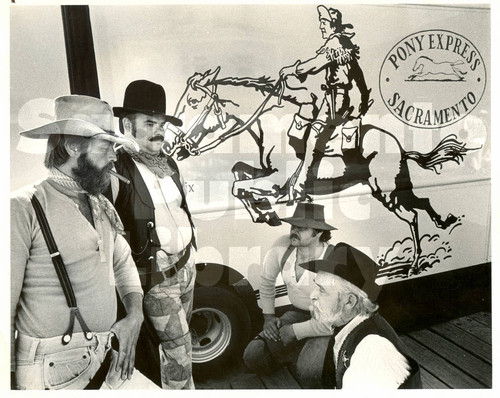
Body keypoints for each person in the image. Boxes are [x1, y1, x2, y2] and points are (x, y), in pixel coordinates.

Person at [10, 95, 159, 390]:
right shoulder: (23, 207)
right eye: (106, 147)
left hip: (102, 357)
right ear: (73, 145)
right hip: (50, 372)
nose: (115, 157)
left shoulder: (100, 205)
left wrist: (135, 315)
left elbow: (122, 264)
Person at [110, 80, 197, 390]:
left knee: (178, 349)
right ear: (127, 125)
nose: (159, 131)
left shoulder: (168, 163)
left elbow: (180, 208)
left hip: (186, 267)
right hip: (156, 278)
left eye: (161, 124)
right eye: (149, 123)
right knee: (180, 354)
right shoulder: (116, 166)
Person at [279, 5, 371, 202]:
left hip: (336, 99)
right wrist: (363, 96)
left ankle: (305, 182)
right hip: (332, 97)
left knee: (315, 135)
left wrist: (294, 69)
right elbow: (359, 75)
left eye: (324, 23)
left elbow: (315, 64)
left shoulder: (335, 44)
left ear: (333, 26)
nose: (321, 27)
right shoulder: (342, 44)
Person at [300, 243, 422, 388]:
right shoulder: (351, 326)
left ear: (349, 301)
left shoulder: (371, 348)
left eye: (322, 290)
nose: (313, 296)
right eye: (316, 286)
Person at [243, 202, 336, 384]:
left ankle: (316, 354)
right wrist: (269, 317)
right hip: (297, 313)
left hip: (327, 323)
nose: (294, 231)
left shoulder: (332, 258)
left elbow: (331, 322)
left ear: (317, 233)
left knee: (308, 373)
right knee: (252, 356)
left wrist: (293, 332)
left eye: (301, 228)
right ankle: (301, 350)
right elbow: (267, 280)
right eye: (293, 226)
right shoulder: (283, 246)